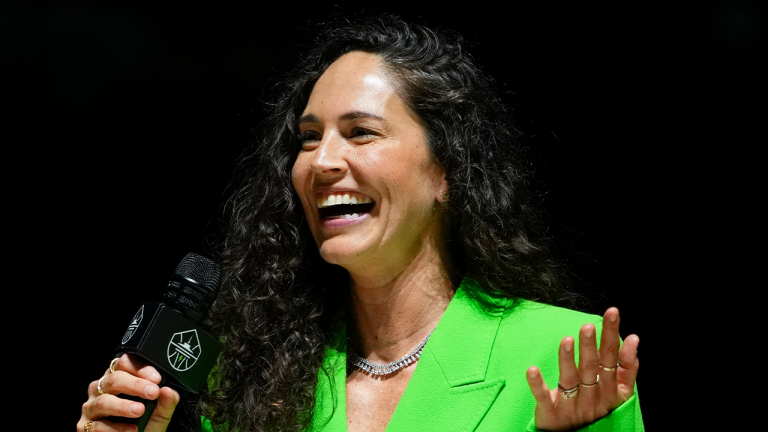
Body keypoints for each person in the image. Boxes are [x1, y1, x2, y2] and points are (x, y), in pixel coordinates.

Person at [77, 15, 642, 432]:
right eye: (308, 137)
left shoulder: (567, 357)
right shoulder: (251, 378)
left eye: (361, 132)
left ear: (447, 170)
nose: (321, 161)